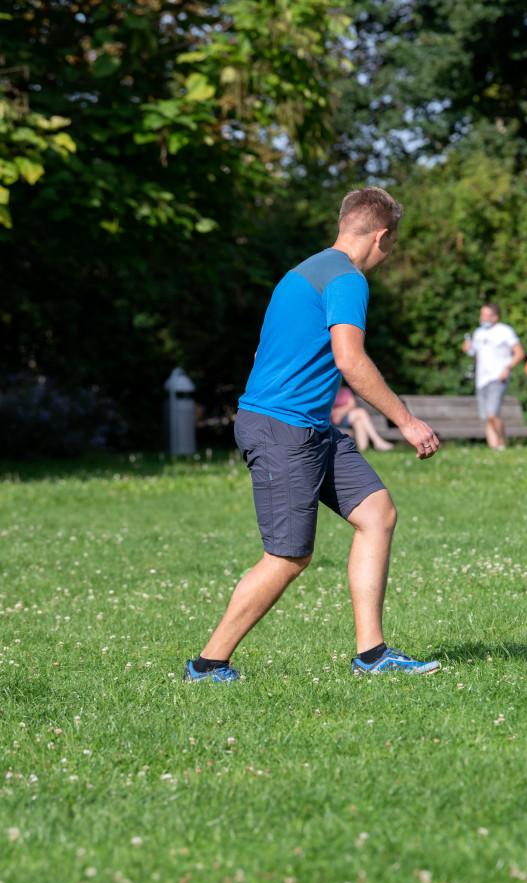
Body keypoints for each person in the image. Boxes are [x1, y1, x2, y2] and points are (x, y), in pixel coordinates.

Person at [185, 186, 442, 682]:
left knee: (377, 512)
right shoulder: (347, 280)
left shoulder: (307, 269)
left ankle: (372, 655)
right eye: (395, 244)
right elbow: (351, 361)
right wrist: (406, 421)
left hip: (307, 427)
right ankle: (208, 663)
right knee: (287, 556)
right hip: (285, 429)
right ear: (383, 236)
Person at [462, 303, 524, 450]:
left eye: (486, 315)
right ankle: (493, 448)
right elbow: (473, 352)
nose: (482, 318)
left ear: (495, 317)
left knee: (492, 413)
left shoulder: (505, 331)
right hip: (481, 379)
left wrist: (507, 368)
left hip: (498, 377)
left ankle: (502, 444)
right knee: (487, 417)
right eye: (481, 314)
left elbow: (519, 352)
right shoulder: (478, 333)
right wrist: (467, 348)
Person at [331, 385, 394, 452]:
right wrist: (336, 413)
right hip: (331, 419)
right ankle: (377, 441)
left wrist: (340, 412)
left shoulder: (345, 390)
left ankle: (363, 449)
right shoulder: (328, 391)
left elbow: (352, 405)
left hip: (346, 417)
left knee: (359, 421)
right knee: (361, 412)